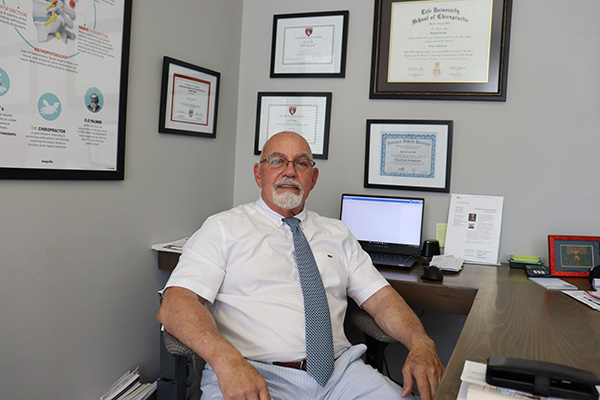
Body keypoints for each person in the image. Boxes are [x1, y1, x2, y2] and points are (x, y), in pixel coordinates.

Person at [157, 131, 445, 400]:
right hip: (251, 370)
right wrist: (225, 360)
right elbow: (176, 303)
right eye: (277, 161)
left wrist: (420, 341)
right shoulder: (223, 228)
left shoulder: (337, 232)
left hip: (341, 375)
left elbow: (381, 298)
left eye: (301, 163)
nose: (289, 171)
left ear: (313, 177)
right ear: (259, 174)